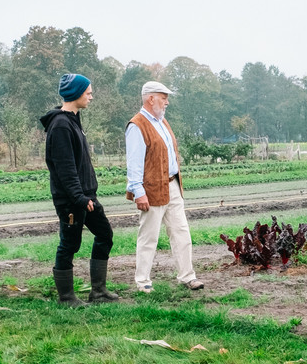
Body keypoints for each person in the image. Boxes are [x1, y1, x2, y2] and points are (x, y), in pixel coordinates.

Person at [40, 74, 119, 307]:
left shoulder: (74, 120)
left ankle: (98, 291)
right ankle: (66, 297)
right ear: (76, 94)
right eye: (88, 92)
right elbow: (65, 169)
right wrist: (79, 198)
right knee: (69, 245)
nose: (91, 96)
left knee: (104, 234)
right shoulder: (61, 125)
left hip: (86, 196)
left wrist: (87, 195)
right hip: (73, 200)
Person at [125, 81, 204, 293]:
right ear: (151, 99)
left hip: (172, 185)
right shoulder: (137, 125)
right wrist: (138, 193)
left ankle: (187, 276)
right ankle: (143, 282)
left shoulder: (162, 121)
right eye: (163, 97)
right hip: (151, 190)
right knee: (149, 236)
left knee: (181, 232)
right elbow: (134, 163)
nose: (167, 102)